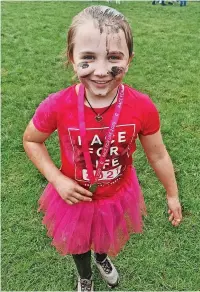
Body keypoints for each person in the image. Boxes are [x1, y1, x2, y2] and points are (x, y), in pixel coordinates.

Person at [23, 5, 182, 291]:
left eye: (113, 57)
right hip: (74, 197)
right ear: (72, 58)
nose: (100, 71)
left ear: (129, 60)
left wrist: (172, 194)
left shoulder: (142, 107)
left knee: (105, 235)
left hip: (117, 194)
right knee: (78, 241)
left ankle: (102, 256)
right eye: (88, 57)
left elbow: (157, 154)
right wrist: (56, 179)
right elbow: (31, 140)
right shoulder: (57, 105)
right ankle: (85, 276)